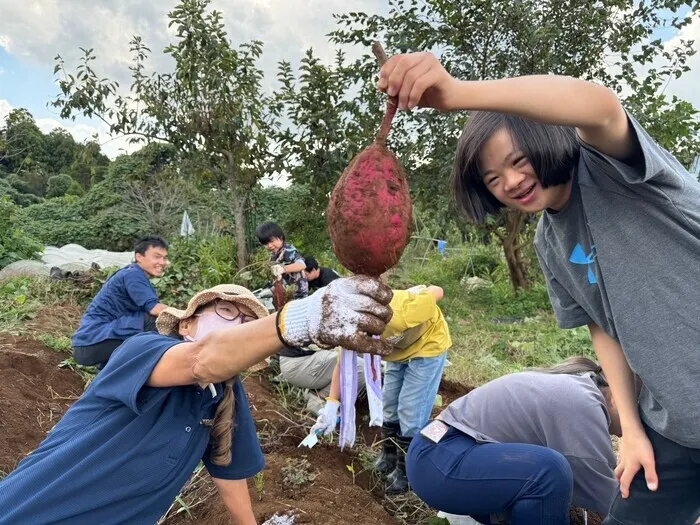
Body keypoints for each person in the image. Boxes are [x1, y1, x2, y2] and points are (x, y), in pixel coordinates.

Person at [378, 53, 700, 524]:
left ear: (546, 140)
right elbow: (604, 331)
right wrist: (631, 428)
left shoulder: (616, 171)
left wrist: (459, 94)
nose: (511, 181)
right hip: (669, 431)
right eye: (493, 178)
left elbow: (601, 106)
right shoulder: (549, 243)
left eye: (517, 160)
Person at [0, 277, 394, 524]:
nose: (237, 327)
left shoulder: (226, 397)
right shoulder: (145, 349)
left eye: (245, 323)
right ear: (186, 325)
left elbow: (231, 477)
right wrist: (304, 318)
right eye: (225, 311)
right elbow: (200, 360)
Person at [406, 357, 620, 524]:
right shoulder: (585, 405)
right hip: (440, 462)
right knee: (549, 473)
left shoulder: (578, 386)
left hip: (439, 450)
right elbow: (612, 501)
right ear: (618, 397)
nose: (630, 432)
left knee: (551, 493)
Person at [313, 284, 451, 495]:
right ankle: (389, 457)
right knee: (388, 404)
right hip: (397, 352)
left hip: (427, 345)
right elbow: (342, 367)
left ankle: (409, 472)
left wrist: (420, 293)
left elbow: (437, 291)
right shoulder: (348, 328)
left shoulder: (397, 313)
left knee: (410, 410)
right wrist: (331, 406)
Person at [71, 235, 171, 369]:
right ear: (139, 257)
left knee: (150, 326)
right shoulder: (133, 275)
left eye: (164, 257)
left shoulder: (134, 275)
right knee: (160, 323)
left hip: (91, 342)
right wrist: (190, 316)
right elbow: (155, 309)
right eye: (157, 256)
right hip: (94, 340)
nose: (163, 262)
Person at [277, 255, 344, 411]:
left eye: (305, 274)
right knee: (345, 362)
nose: (304, 278)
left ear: (314, 270)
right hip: (296, 362)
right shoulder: (307, 309)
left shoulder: (330, 283)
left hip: (295, 360)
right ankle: (320, 398)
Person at [256, 222, 308, 299]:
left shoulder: (288, 250)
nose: (269, 245)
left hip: (298, 295)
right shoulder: (273, 256)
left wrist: (283, 269)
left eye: (272, 241)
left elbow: (302, 265)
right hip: (285, 295)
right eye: (266, 244)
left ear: (280, 237)